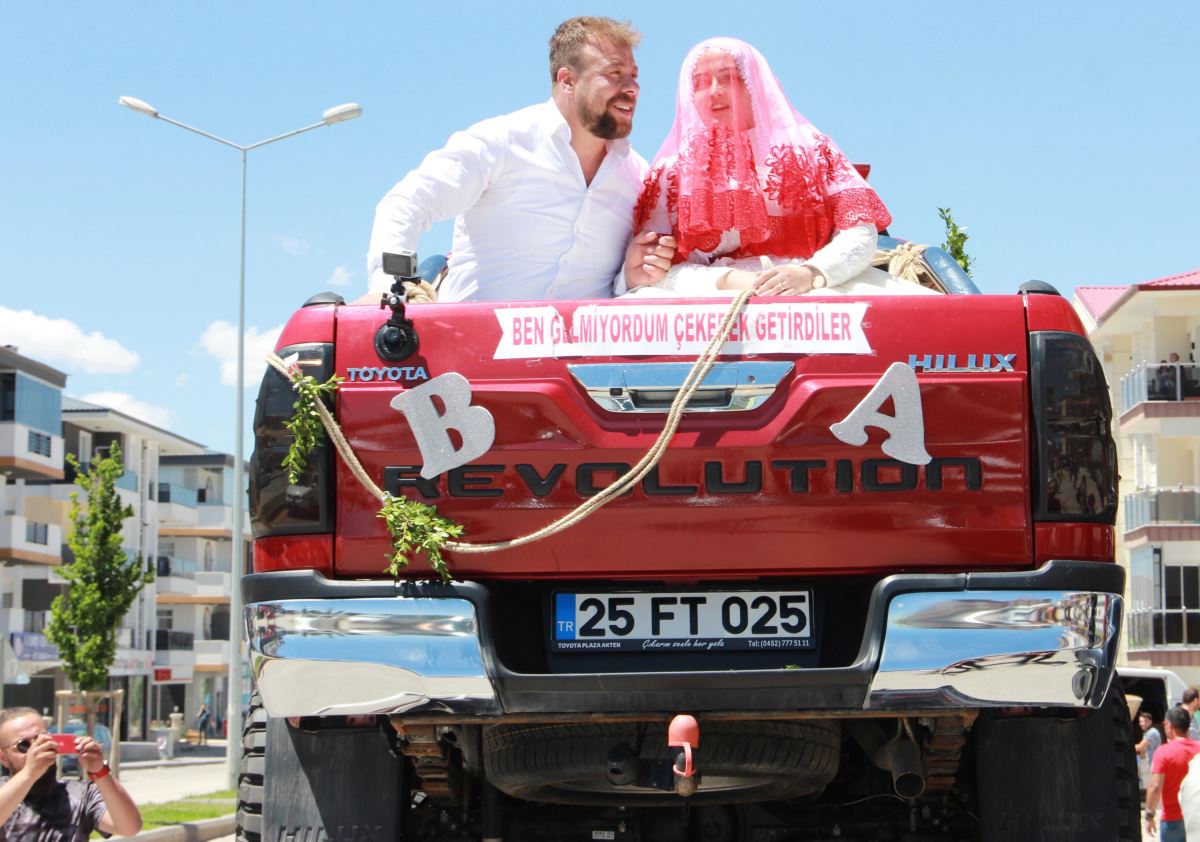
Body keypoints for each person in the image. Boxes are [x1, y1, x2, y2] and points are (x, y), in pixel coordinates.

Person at [366, 16, 674, 302]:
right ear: (567, 81)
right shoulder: (501, 142)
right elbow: (407, 202)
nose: (632, 88)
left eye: (633, 76)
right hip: (472, 352)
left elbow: (623, 282)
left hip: (583, 355)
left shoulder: (639, 176)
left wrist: (630, 279)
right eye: (614, 74)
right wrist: (389, 290)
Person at [623, 37, 933, 299]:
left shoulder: (810, 147)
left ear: (753, 85)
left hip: (815, 288)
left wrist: (811, 274)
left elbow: (860, 234)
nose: (714, 90)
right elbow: (655, 268)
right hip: (712, 296)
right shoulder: (671, 172)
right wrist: (730, 281)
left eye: (728, 77)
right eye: (701, 83)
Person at [0, 706, 142, 841]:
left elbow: (129, 828)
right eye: (23, 745)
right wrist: (29, 773)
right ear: (4, 758)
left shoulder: (80, 793)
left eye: (41, 740)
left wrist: (100, 771)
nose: (36, 750)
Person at [1147, 706, 1200, 840]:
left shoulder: (1163, 752)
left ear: (1170, 726)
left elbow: (1155, 786)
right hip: (1196, 816)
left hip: (1172, 819)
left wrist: (1149, 814)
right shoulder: (1198, 749)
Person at [1140, 710, 1165, 801]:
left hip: (1155, 764)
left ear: (1150, 721)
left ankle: (1153, 807)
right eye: (1141, 721)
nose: (1142, 723)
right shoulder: (1147, 732)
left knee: (1154, 787)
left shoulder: (1151, 733)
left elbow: (1140, 747)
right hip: (1151, 763)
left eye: (1145, 721)